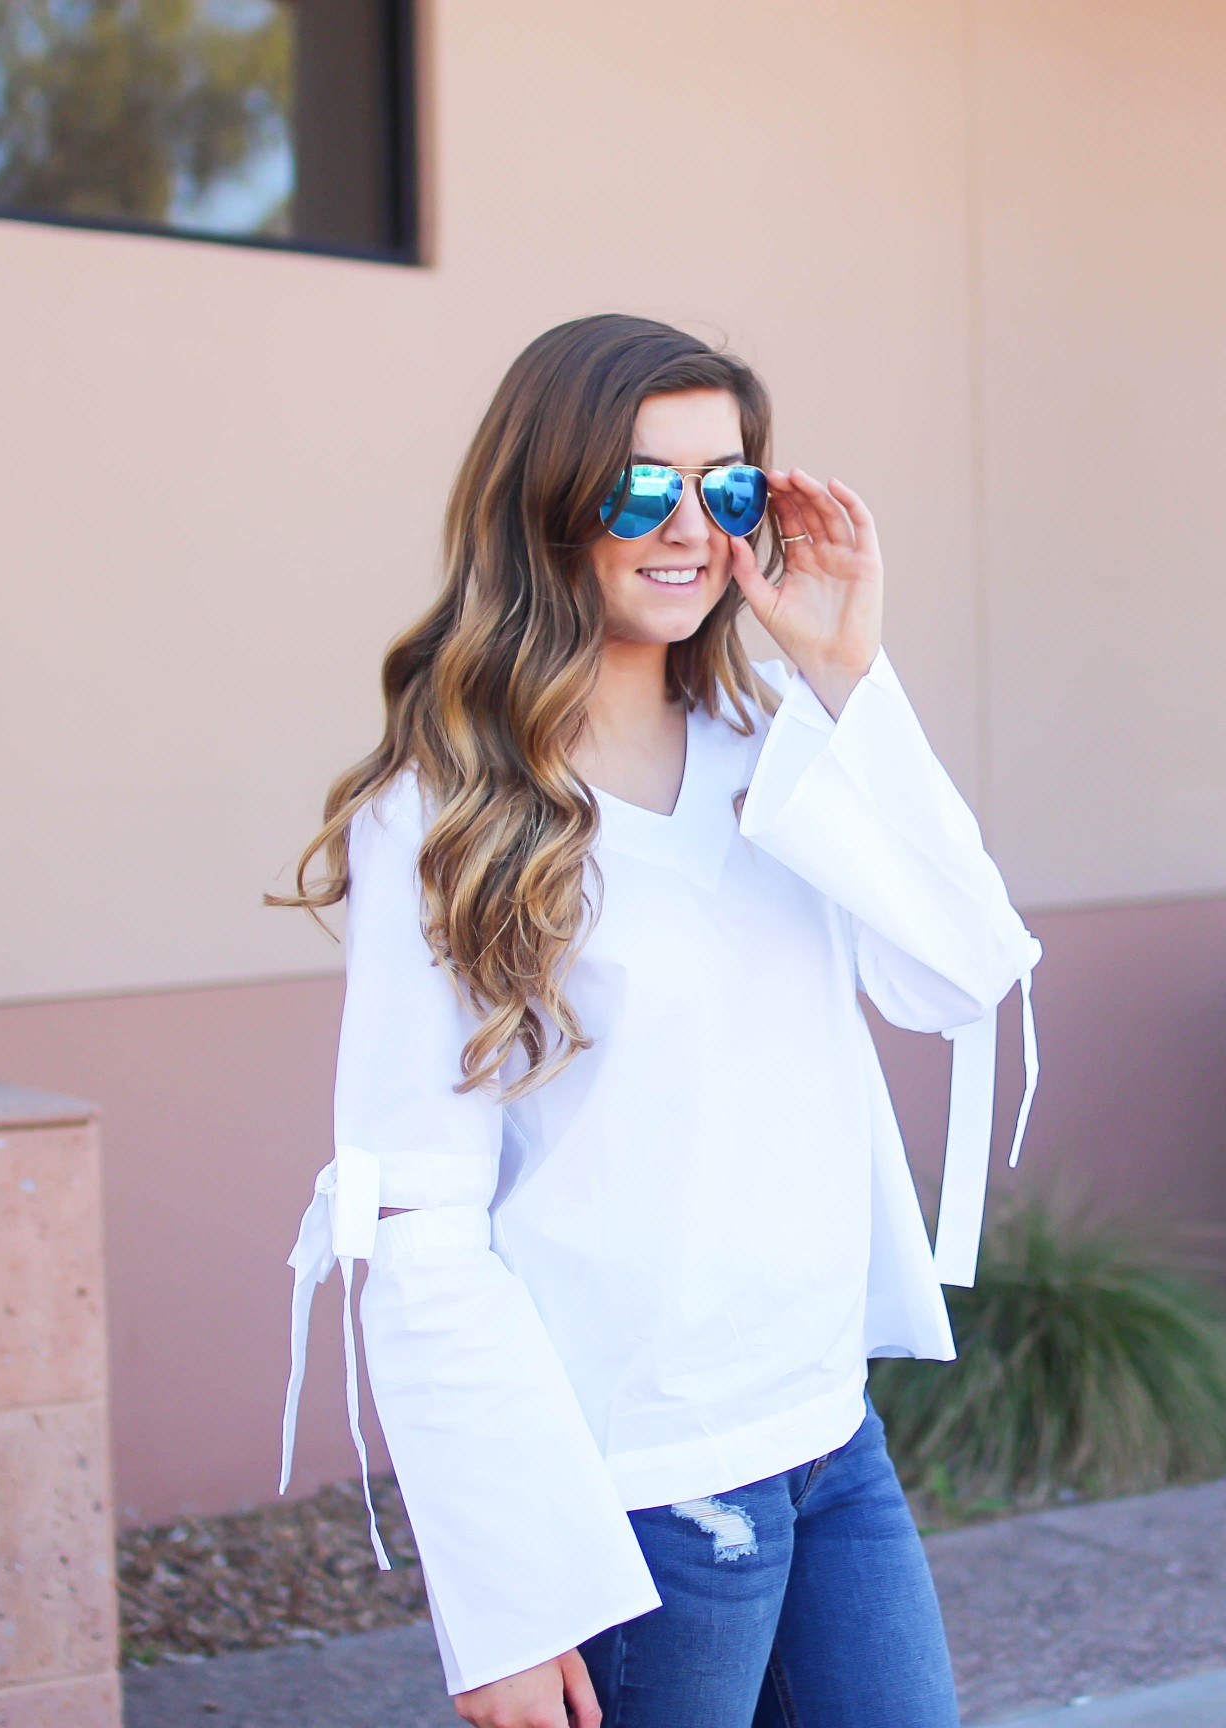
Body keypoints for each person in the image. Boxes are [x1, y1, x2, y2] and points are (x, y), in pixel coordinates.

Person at [275, 313, 1039, 1728]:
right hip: (640, 1494)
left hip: (831, 1444)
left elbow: (961, 971)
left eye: (728, 486)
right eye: (642, 486)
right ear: (546, 504)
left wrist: (849, 674)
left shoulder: (777, 757)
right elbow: (420, 1219)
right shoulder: (445, 816)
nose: (689, 524)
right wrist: (503, 1602)